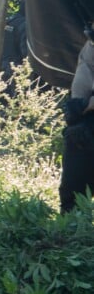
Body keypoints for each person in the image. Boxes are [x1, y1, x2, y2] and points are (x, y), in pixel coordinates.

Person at [59, 24, 94, 213]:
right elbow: (83, 75)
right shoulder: (89, 49)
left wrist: (87, 105)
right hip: (84, 125)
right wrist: (78, 106)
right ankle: (71, 232)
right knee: (72, 198)